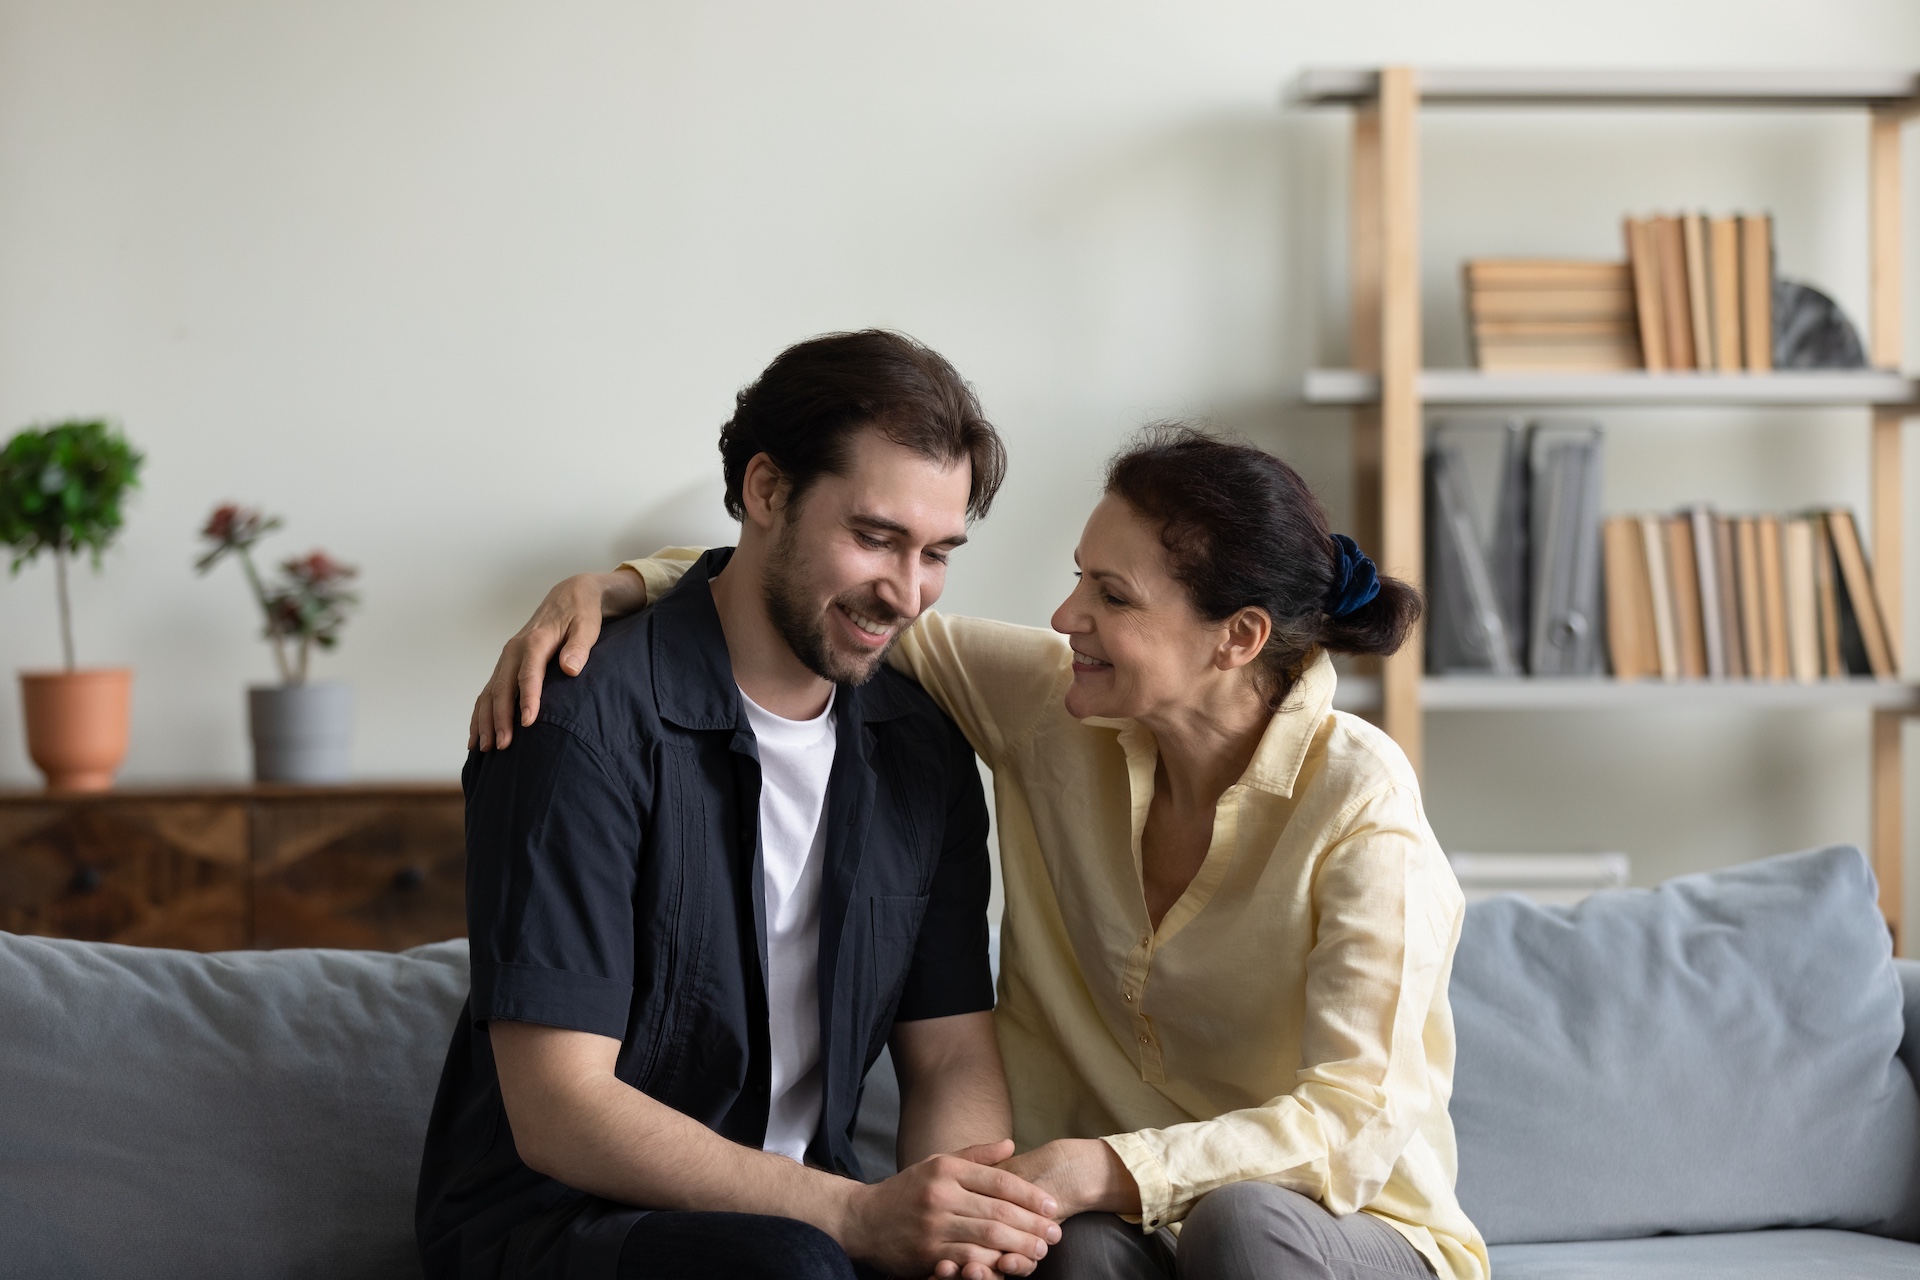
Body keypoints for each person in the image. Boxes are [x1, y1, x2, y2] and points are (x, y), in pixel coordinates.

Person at [476, 428, 1490, 1280]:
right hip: (1117, 1221)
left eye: (1113, 595)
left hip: (1337, 1227)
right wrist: (611, 586)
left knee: (1241, 1224)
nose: (1065, 617)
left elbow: (1355, 1120)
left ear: (1237, 638)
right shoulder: (1053, 705)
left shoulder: (1362, 801)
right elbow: (840, 601)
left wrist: (1100, 1165)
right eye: (1077, 578)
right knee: (1067, 1254)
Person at [418, 330, 1067, 1280]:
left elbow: (952, 1058)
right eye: (875, 537)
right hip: (566, 1231)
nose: (906, 593)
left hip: (815, 1223)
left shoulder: (922, 749)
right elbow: (561, 1110)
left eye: (937, 553)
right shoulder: (579, 724)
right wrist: (858, 1216)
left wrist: (955, 1235)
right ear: (767, 491)